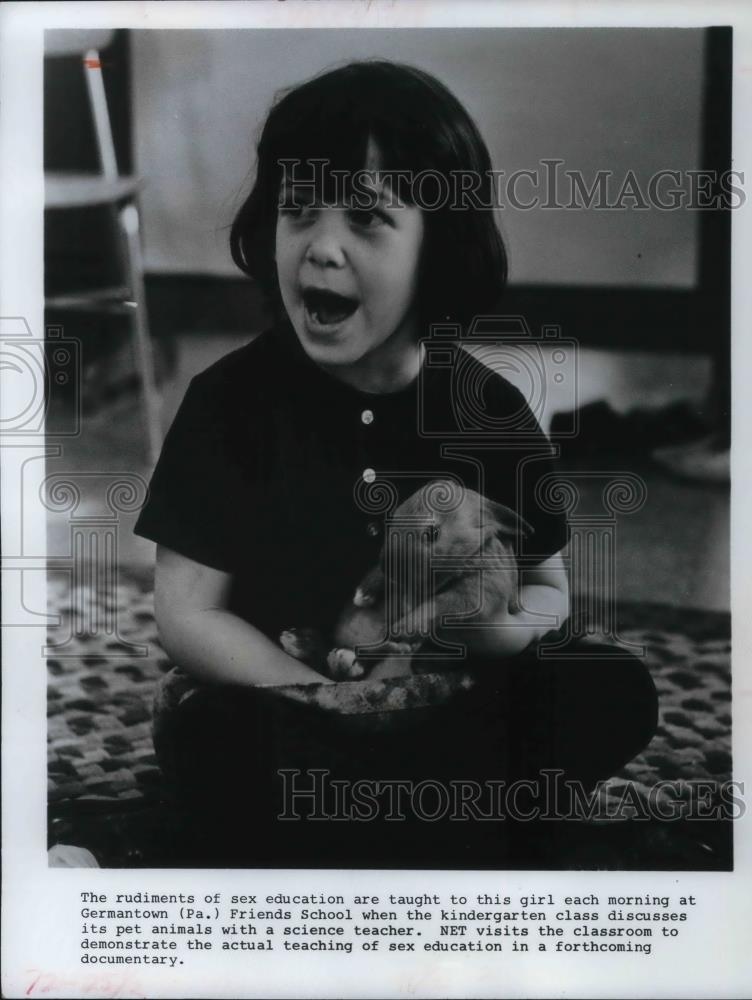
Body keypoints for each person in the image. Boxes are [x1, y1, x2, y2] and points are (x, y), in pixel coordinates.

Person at [135, 60, 658, 866]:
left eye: (367, 220)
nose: (323, 247)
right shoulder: (228, 404)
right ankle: (441, 813)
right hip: (291, 700)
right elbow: (187, 614)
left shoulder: (491, 413)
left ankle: (403, 808)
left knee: (608, 688)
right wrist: (329, 700)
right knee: (214, 737)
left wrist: (498, 632)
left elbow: (550, 589)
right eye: (298, 211)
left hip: (449, 700)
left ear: (438, 249)